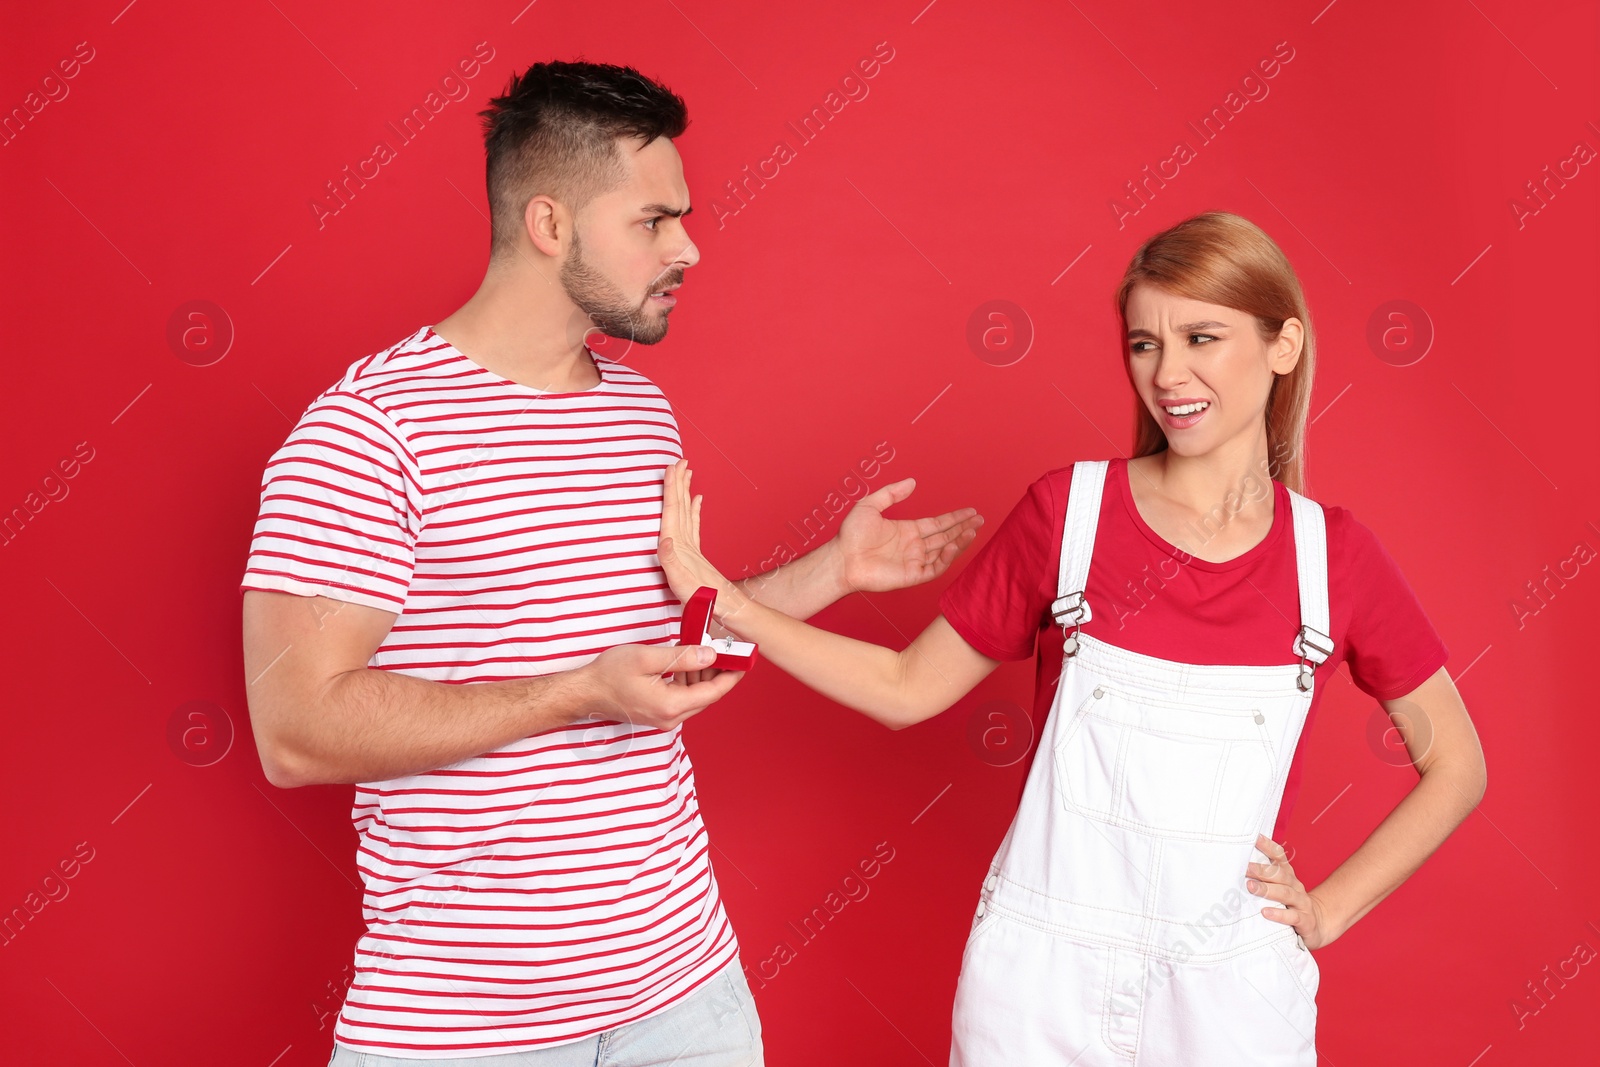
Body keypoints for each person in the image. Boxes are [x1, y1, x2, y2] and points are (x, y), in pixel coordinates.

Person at [238, 60, 981, 1066]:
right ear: (549, 224)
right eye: (653, 221)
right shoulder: (370, 432)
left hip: (686, 997)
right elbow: (297, 731)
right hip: (470, 1029)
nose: (689, 246)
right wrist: (577, 691)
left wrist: (832, 570)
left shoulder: (635, 412)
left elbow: (661, 648)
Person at [655, 211, 1488, 1065]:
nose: (1169, 373)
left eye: (1202, 336)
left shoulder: (1331, 559)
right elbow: (908, 687)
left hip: (1232, 996)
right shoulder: (1070, 517)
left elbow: (1456, 764)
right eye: (1143, 344)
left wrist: (1330, 907)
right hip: (1040, 987)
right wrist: (736, 608)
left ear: (1284, 345)